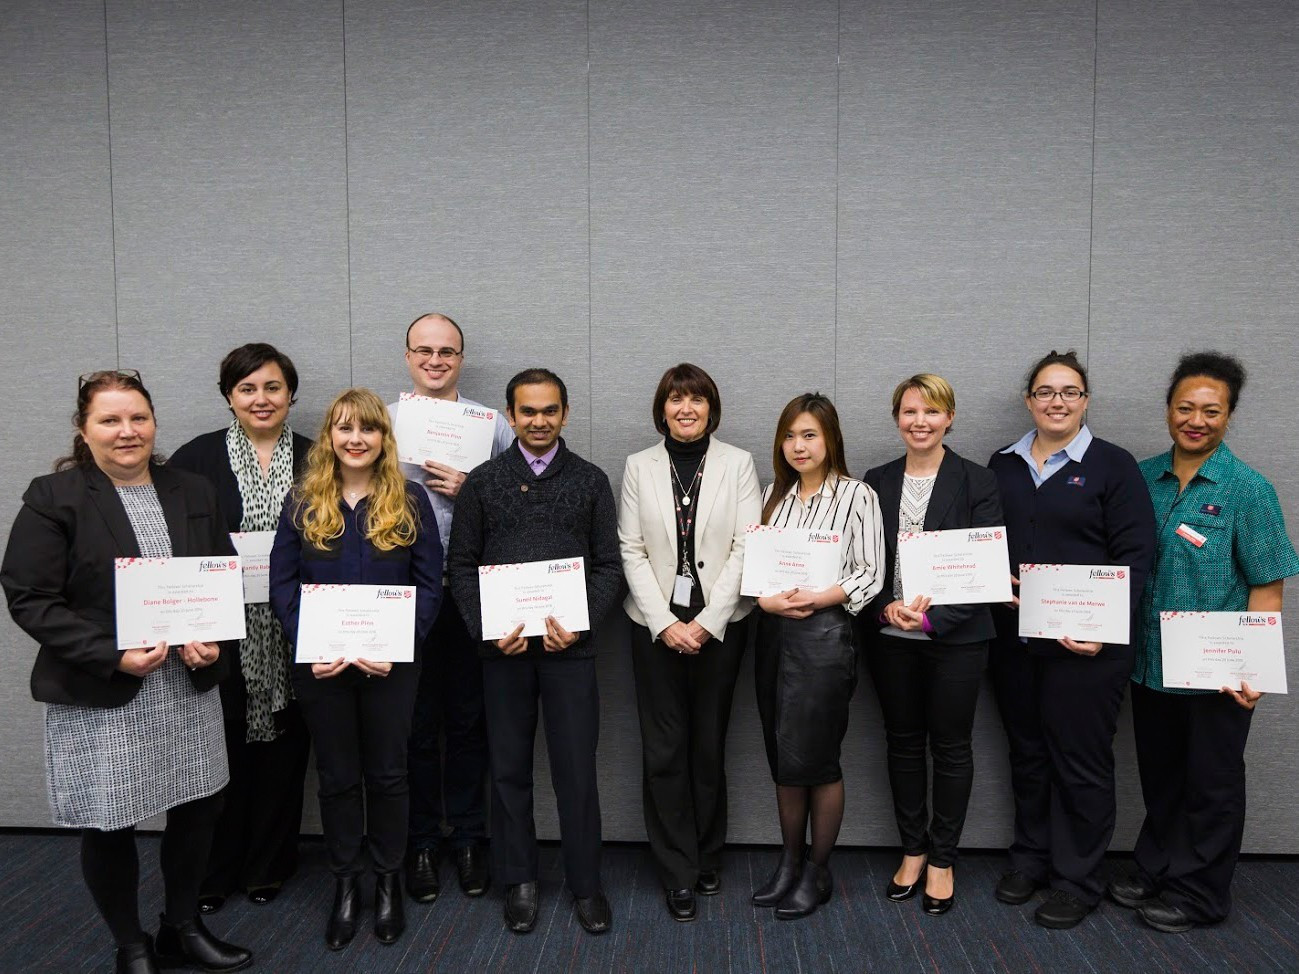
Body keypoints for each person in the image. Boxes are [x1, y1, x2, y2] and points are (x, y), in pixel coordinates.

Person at [1, 370, 252, 974]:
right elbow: (29, 596)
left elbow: (220, 576)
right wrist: (112, 653)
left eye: (137, 418)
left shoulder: (192, 488)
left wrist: (211, 640)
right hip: (103, 688)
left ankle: (181, 927)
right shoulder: (53, 495)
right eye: (109, 420)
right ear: (84, 431)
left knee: (197, 809)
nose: (126, 431)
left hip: (184, 686)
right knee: (110, 818)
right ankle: (131, 944)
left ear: (154, 423)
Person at [1107, 352, 1299, 933]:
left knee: (1211, 782)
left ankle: (1202, 891)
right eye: (1185, 407)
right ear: (1168, 410)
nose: (1196, 420)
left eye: (1211, 411)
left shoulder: (1248, 489)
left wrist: (1256, 671)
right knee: (1162, 776)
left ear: (1229, 415)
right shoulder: (1141, 478)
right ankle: (1158, 865)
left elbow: (1267, 585)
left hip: (1219, 668)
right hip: (1149, 661)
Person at [446, 368, 623, 936]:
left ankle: (586, 884)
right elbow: (460, 568)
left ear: (564, 414)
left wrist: (580, 624)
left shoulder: (591, 481)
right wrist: (486, 629)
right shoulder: (483, 482)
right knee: (509, 772)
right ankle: (518, 880)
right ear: (511, 415)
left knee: (576, 774)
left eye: (549, 411)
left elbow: (608, 566)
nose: (539, 421)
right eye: (528, 412)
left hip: (569, 653)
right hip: (504, 654)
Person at [987, 350, 1156, 929]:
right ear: (1028, 399)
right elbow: (984, 544)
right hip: (1014, 640)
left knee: (1079, 761)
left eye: (1070, 392)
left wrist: (1101, 627)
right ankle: (1031, 858)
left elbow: (1137, 557)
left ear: (1085, 401)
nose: (1057, 401)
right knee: (1028, 755)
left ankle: (1077, 879)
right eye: (1045, 391)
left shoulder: (1113, 465)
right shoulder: (1002, 464)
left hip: (1088, 648)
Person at [269, 388, 442, 950]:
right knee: (339, 777)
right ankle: (347, 884)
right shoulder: (302, 502)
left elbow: (429, 585)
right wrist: (310, 644)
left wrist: (399, 644)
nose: (356, 439)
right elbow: (283, 585)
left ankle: (388, 881)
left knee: (389, 775)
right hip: (321, 667)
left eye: (367, 429)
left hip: (392, 666)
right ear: (330, 438)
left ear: (382, 439)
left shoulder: (410, 500)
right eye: (345, 429)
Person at [169, 343, 313, 913]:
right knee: (218, 749)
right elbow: (172, 544)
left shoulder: (316, 456)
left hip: (296, 628)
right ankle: (213, 870)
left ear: (290, 394)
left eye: (272, 387)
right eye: (248, 388)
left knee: (284, 749)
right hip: (218, 631)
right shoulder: (194, 459)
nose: (261, 399)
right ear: (229, 395)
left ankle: (268, 865)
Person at [618, 363, 760, 922]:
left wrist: (705, 622)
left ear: (710, 407)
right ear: (662, 408)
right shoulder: (638, 466)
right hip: (653, 627)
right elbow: (630, 549)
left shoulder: (738, 463)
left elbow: (749, 547)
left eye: (696, 400)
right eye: (676, 400)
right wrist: (666, 623)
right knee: (664, 750)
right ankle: (676, 868)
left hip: (722, 627)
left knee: (708, 744)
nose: (686, 409)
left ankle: (707, 855)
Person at [862, 374, 1002, 916]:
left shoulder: (978, 481)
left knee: (951, 747)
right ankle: (913, 849)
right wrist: (885, 609)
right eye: (909, 411)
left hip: (958, 639)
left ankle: (943, 858)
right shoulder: (875, 480)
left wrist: (931, 621)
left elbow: (985, 572)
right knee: (900, 743)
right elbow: (866, 564)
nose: (919, 422)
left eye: (931, 412)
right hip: (890, 636)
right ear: (896, 418)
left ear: (950, 418)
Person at [391, 312, 513, 903]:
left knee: (468, 721)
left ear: (461, 358)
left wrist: (476, 491)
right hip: (402, 593)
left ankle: (467, 836)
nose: (436, 360)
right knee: (412, 725)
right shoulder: (384, 423)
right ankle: (419, 840)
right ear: (408, 356)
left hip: (471, 592)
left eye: (448, 351)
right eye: (424, 350)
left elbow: (524, 500)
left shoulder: (491, 425)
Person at [752, 393, 885, 920]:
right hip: (774, 638)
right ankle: (789, 861)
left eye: (809, 435)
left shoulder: (858, 495)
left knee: (818, 759)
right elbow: (755, 572)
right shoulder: (771, 496)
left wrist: (817, 597)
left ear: (830, 438)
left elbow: (870, 573)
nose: (798, 446)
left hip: (826, 638)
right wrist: (763, 597)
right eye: (789, 436)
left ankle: (818, 869)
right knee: (785, 758)